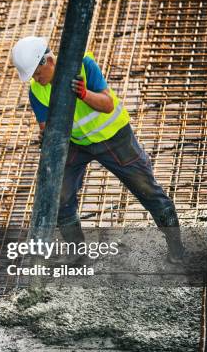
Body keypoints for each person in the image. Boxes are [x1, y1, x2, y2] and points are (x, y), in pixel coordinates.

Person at [11, 36, 185, 263]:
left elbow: (107, 104)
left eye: (36, 73)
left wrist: (84, 94)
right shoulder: (37, 91)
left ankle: (177, 248)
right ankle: (77, 252)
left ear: (48, 61)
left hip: (114, 137)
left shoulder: (83, 65)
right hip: (76, 142)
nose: (35, 79)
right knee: (59, 195)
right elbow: (47, 127)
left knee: (147, 189)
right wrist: (46, 136)